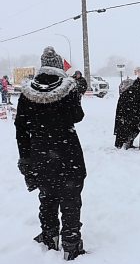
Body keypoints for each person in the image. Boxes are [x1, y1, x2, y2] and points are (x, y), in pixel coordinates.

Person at [15, 46, 86, 260]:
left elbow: (20, 128)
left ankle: (49, 235)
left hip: (40, 154)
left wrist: (26, 157)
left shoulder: (27, 93)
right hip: (67, 152)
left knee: (46, 196)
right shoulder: (68, 88)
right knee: (71, 198)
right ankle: (71, 242)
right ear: (57, 65)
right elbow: (77, 116)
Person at [113, 68, 140, 150]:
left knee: (135, 128)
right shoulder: (139, 88)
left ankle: (129, 143)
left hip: (133, 113)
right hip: (136, 113)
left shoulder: (135, 86)